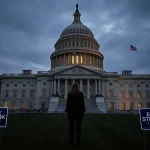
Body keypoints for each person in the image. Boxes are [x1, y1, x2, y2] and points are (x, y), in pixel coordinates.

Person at [65, 83, 85, 148]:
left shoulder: (70, 94)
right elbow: (82, 105)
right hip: (79, 114)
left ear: (72, 87)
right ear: (78, 88)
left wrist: (68, 113)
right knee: (78, 129)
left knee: (71, 129)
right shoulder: (81, 94)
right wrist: (83, 113)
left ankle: (71, 144)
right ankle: (78, 144)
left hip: (71, 114)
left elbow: (68, 105)